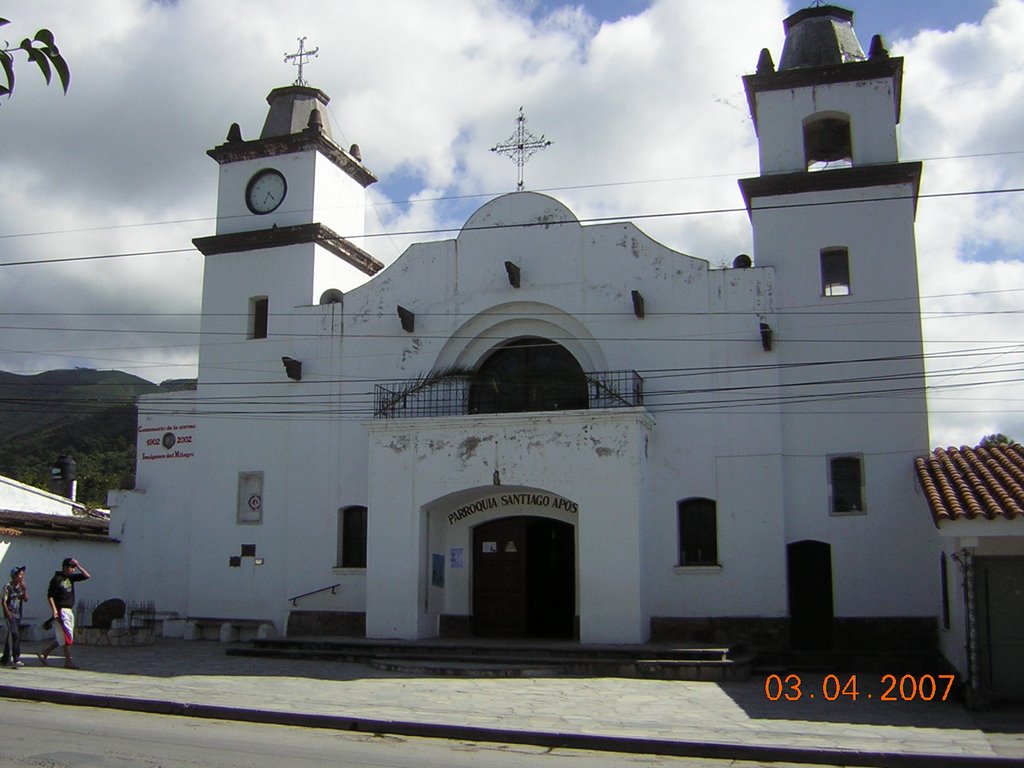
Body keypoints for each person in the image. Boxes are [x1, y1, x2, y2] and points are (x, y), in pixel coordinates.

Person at [38, 557, 90, 669]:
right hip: (61, 610)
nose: (73, 570)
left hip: (69, 610)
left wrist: (78, 565)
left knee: (64, 637)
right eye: (71, 567)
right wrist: (55, 610)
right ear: (65, 567)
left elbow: (86, 576)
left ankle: (46, 652)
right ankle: (68, 661)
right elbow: (50, 595)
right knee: (67, 637)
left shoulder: (70, 578)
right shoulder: (57, 579)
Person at [1, 566, 28, 668]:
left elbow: (26, 599)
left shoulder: (21, 587)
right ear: (14, 576)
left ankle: (5, 658)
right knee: (15, 634)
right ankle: (16, 658)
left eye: (22, 575)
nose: (21, 577)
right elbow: (3, 601)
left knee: (11, 636)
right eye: (20, 575)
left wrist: (25, 589)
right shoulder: (8, 587)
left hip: (18, 615)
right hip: (10, 614)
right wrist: (7, 613)